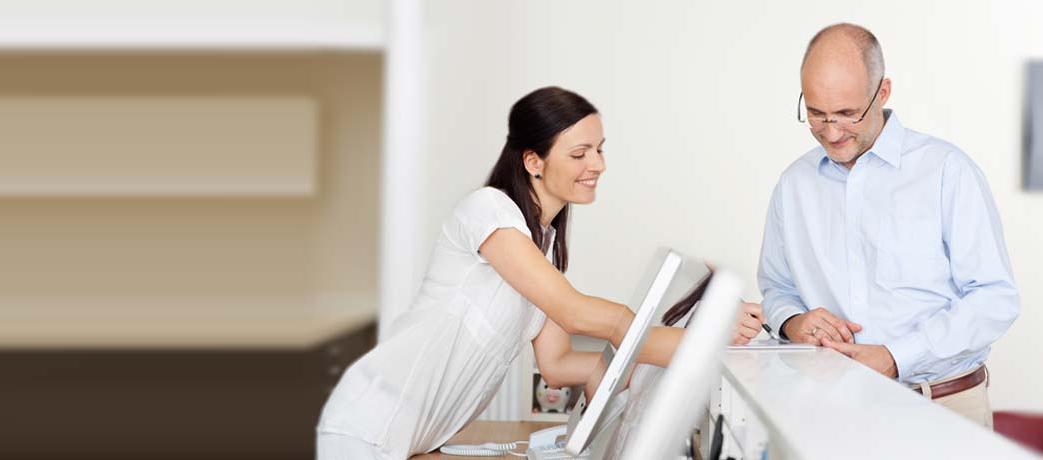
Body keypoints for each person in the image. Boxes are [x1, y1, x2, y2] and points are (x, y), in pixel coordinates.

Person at [316, 87, 762, 459]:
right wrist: (707, 338)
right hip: (368, 427)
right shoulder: (488, 212)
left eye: (600, 151)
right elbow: (579, 314)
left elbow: (559, 364)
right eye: (580, 153)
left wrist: (654, 366)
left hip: (415, 439)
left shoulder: (542, 250)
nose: (598, 165)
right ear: (533, 161)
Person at [758, 23, 1020, 429]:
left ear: (882, 92)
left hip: (942, 410)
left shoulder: (946, 171)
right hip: (833, 412)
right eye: (815, 114)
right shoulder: (794, 184)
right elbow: (777, 288)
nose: (830, 132)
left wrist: (897, 357)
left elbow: (994, 298)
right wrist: (792, 321)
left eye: (847, 114)